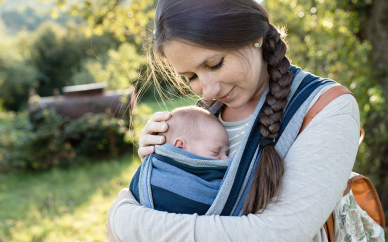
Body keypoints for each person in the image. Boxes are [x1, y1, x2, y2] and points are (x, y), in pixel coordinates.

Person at [106, 0, 360, 241]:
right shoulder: (203, 116)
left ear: (254, 37)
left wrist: (127, 222)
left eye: (215, 64)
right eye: (191, 76)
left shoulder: (328, 108)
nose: (207, 91)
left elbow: (278, 234)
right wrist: (162, 167)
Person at [129, 106, 230, 215]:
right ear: (179, 146)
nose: (226, 159)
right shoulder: (151, 175)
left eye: (227, 153)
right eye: (215, 151)